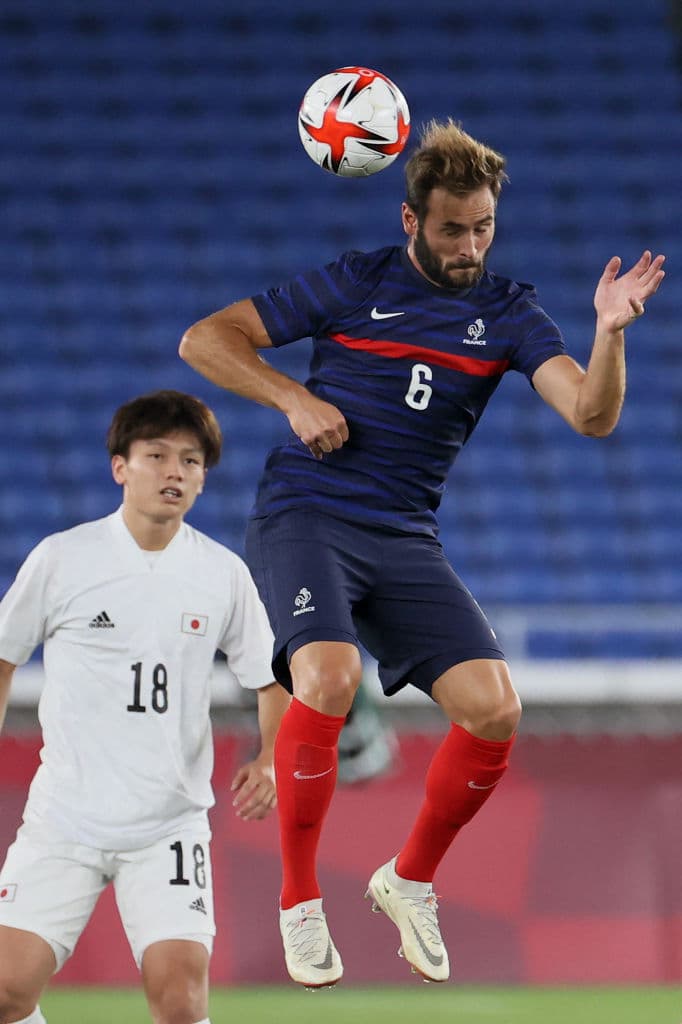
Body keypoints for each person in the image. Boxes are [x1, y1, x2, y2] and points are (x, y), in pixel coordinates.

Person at [179, 119, 665, 988]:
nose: (470, 246)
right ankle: (299, 901)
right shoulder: (354, 281)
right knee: (330, 678)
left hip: (402, 533)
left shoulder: (510, 312)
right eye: (452, 230)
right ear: (412, 221)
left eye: (483, 228)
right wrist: (292, 397)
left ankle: (408, 880)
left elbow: (591, 415)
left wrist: (610, 332)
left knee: (495, 709)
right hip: (308, 514)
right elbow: (206, 338)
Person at [0, 390, 290, 1024]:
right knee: (5, 993)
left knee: (180, 1004)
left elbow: (271, 681)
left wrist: (271, 758)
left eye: (190, 460)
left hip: (168, 827)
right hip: (65, 820)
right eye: (156, 455)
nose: (173, 472)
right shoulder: (63, 559)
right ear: (120, 467)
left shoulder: (222, 574)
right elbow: (3, 655)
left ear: (203, 477)